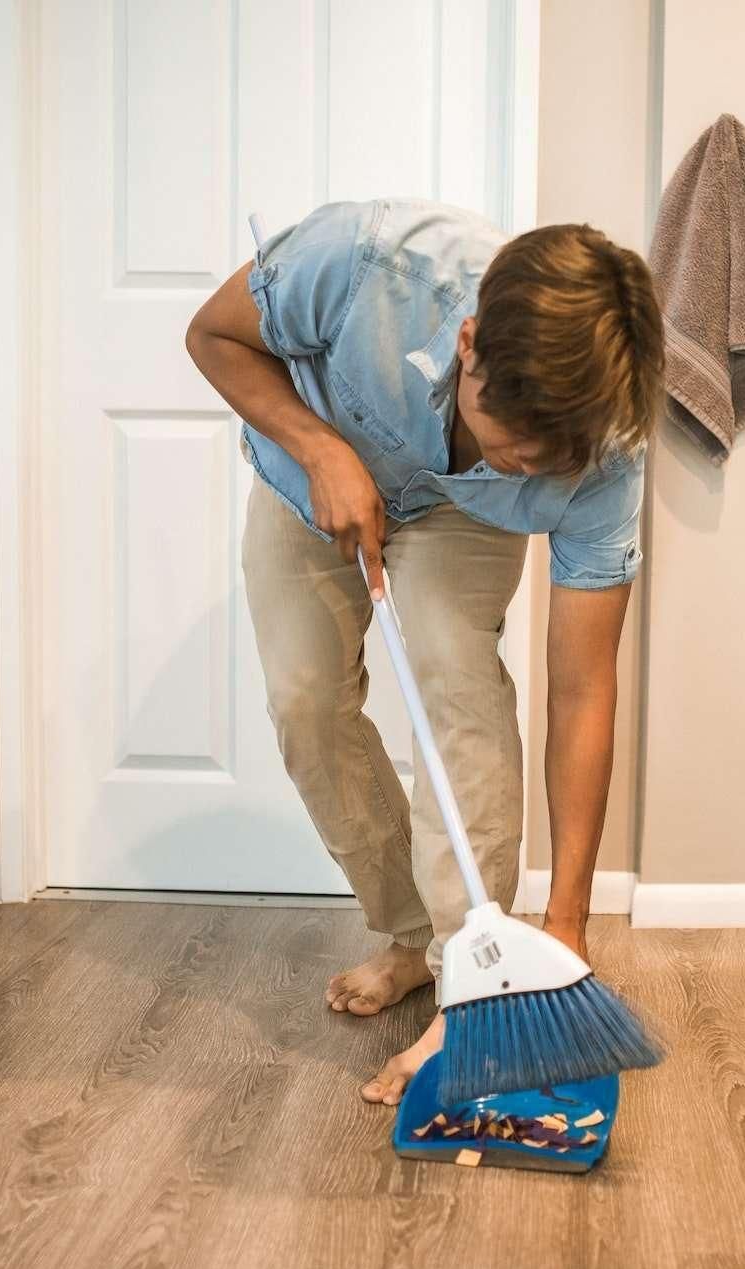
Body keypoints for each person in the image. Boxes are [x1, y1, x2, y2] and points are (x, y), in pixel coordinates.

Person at [185, 199, 662, 1104]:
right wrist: (322, 448)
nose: (532, 467)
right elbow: (213, 335)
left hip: (460, 518)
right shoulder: (363, 263)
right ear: (470, 344)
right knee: (304, 699)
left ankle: (468, 983)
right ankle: (411, 937)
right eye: (517, 444)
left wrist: (566, 922)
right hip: (309, 471)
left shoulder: (605, 454)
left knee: (454, 672)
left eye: (554, 460)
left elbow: (582, 691)